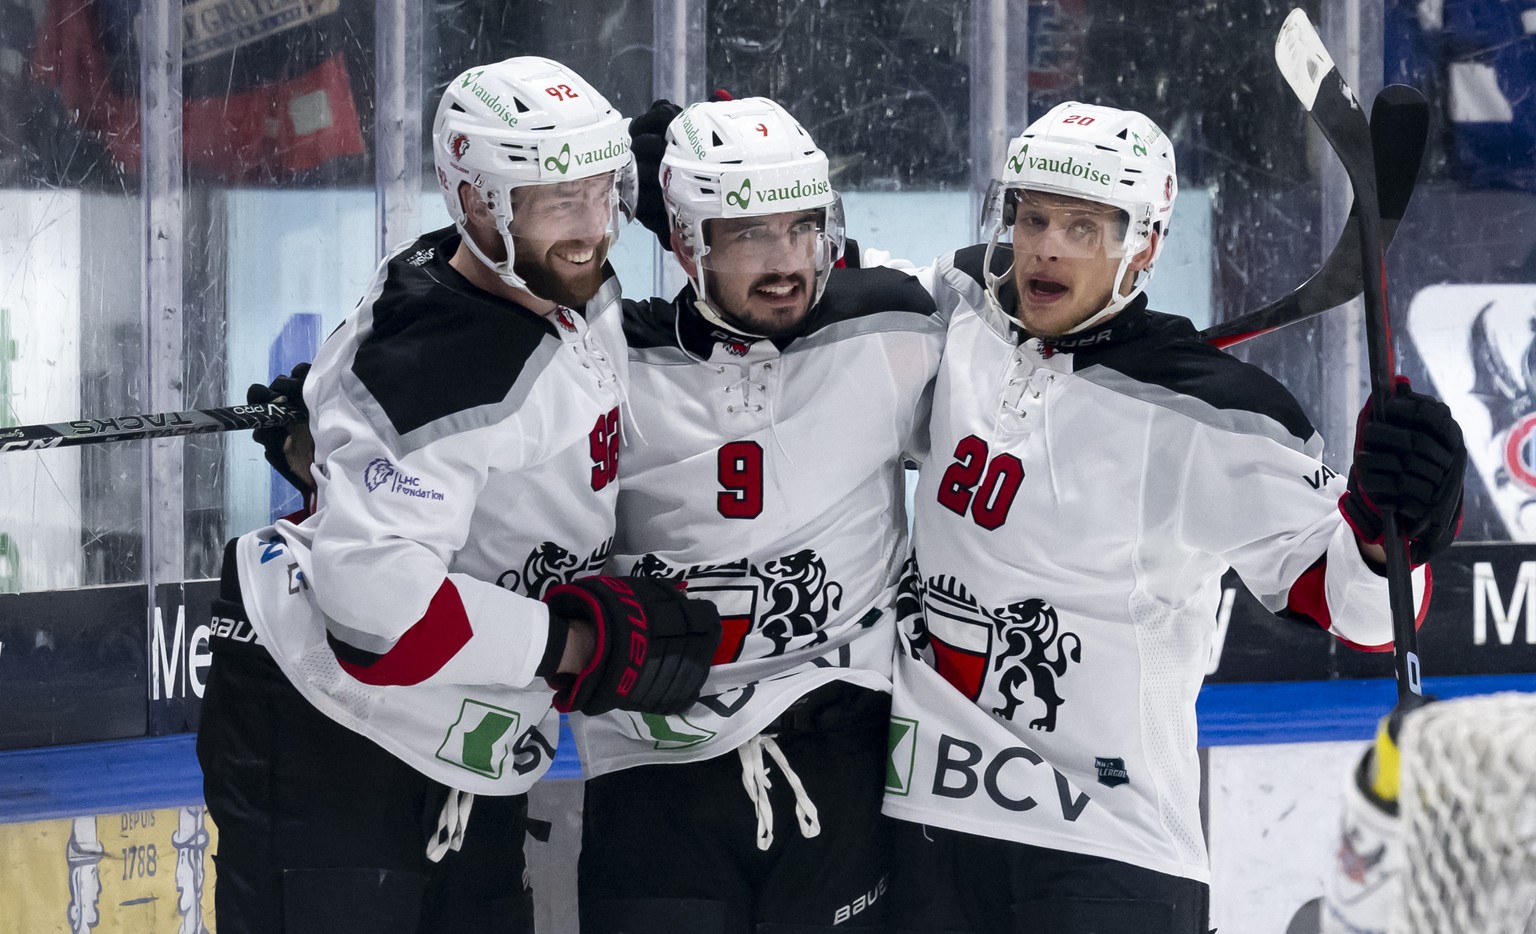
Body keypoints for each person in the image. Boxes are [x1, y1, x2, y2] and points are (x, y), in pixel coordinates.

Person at [883, 101, 1467, 934]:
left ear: (1145, 247)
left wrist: (1387, 530)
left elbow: (1362, 611)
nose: (1046, 247)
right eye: (1033, 217)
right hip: (924, 826)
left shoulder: (1215, 415)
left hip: (1105, 852)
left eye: (1083, 228)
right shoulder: (963, 302)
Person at [196, 56, 720, 934]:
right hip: (330, 723)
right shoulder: (441, 365)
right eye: (560, 201)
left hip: (460, 729)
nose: (593, 229)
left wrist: (338, 455)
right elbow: (375, 616)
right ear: (475, 202)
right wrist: (573, 643)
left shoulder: (534, 271)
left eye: (603, 191)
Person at [569, 97, 946, 934]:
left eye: (801, 229)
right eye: (747, 236)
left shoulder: (891, 326)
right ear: (684, 243)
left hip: (841, 758)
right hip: (654, 775)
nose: (784, 263)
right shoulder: (606, 358)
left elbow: (1029, 356)